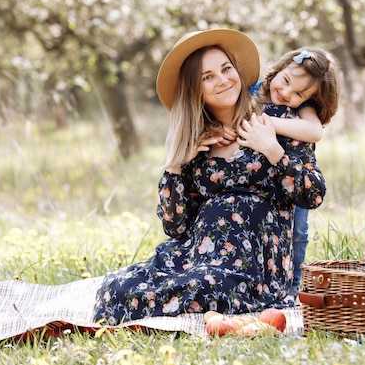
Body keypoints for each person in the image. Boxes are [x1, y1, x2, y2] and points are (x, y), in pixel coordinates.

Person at [93, 29, 327, 325]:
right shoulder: (199, 140)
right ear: (195, 89)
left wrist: (272, 150)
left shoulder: (280, 122)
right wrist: (176, 165)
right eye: (208, 77)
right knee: (114, 290)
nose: (223, 80)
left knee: (207, 288)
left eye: (226, 69)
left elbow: (313, 194)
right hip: (197, 255)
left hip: (253, 266)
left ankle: (222, 309)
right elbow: (175, 226)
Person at [250, 47, 340, 298]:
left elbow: (314, 132)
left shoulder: (304, 109)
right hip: (258, 182)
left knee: (297, 231)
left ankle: (293, 285)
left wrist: (270, 122)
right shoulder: (253, 91)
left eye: (298, 93)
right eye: (286, 81)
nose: (286, 93)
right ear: (281, 67)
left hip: (293, 179)